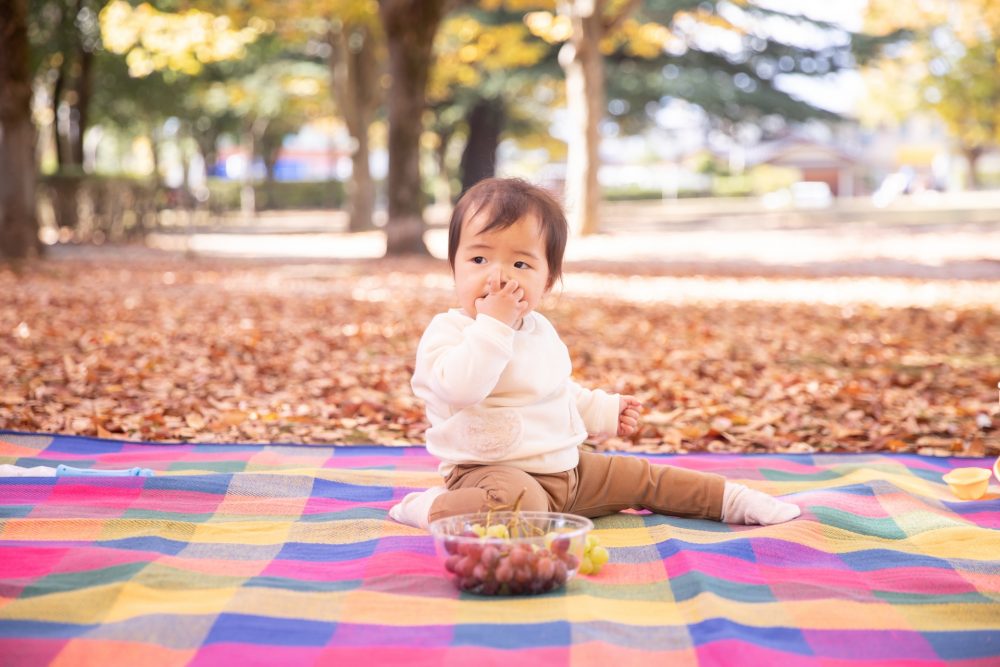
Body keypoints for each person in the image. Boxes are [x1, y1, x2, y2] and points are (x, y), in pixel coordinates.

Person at [389, 178, 800, 530]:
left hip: (568, 472)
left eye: (520, 264)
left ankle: (732, 501)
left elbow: (554, 391)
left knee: (641, 476)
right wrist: (493, 326)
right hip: (488, 474)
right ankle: (431, 508)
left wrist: (601, 410)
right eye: (479, 258)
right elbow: (461, 389)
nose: (498, 276)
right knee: (517, 509)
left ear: (547, 282)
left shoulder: (539, 331)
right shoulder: (450, 332)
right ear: (455, 267)